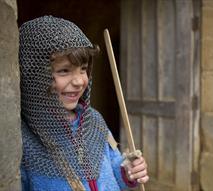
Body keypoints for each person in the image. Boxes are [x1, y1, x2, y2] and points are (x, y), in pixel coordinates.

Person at [19, 15, 149, 191]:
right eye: (64, 71)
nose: (79, 81)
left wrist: (127, 172)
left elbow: (111, 170)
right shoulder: (23, 140)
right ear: (35, 76)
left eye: (83, 69)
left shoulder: (93, 120)